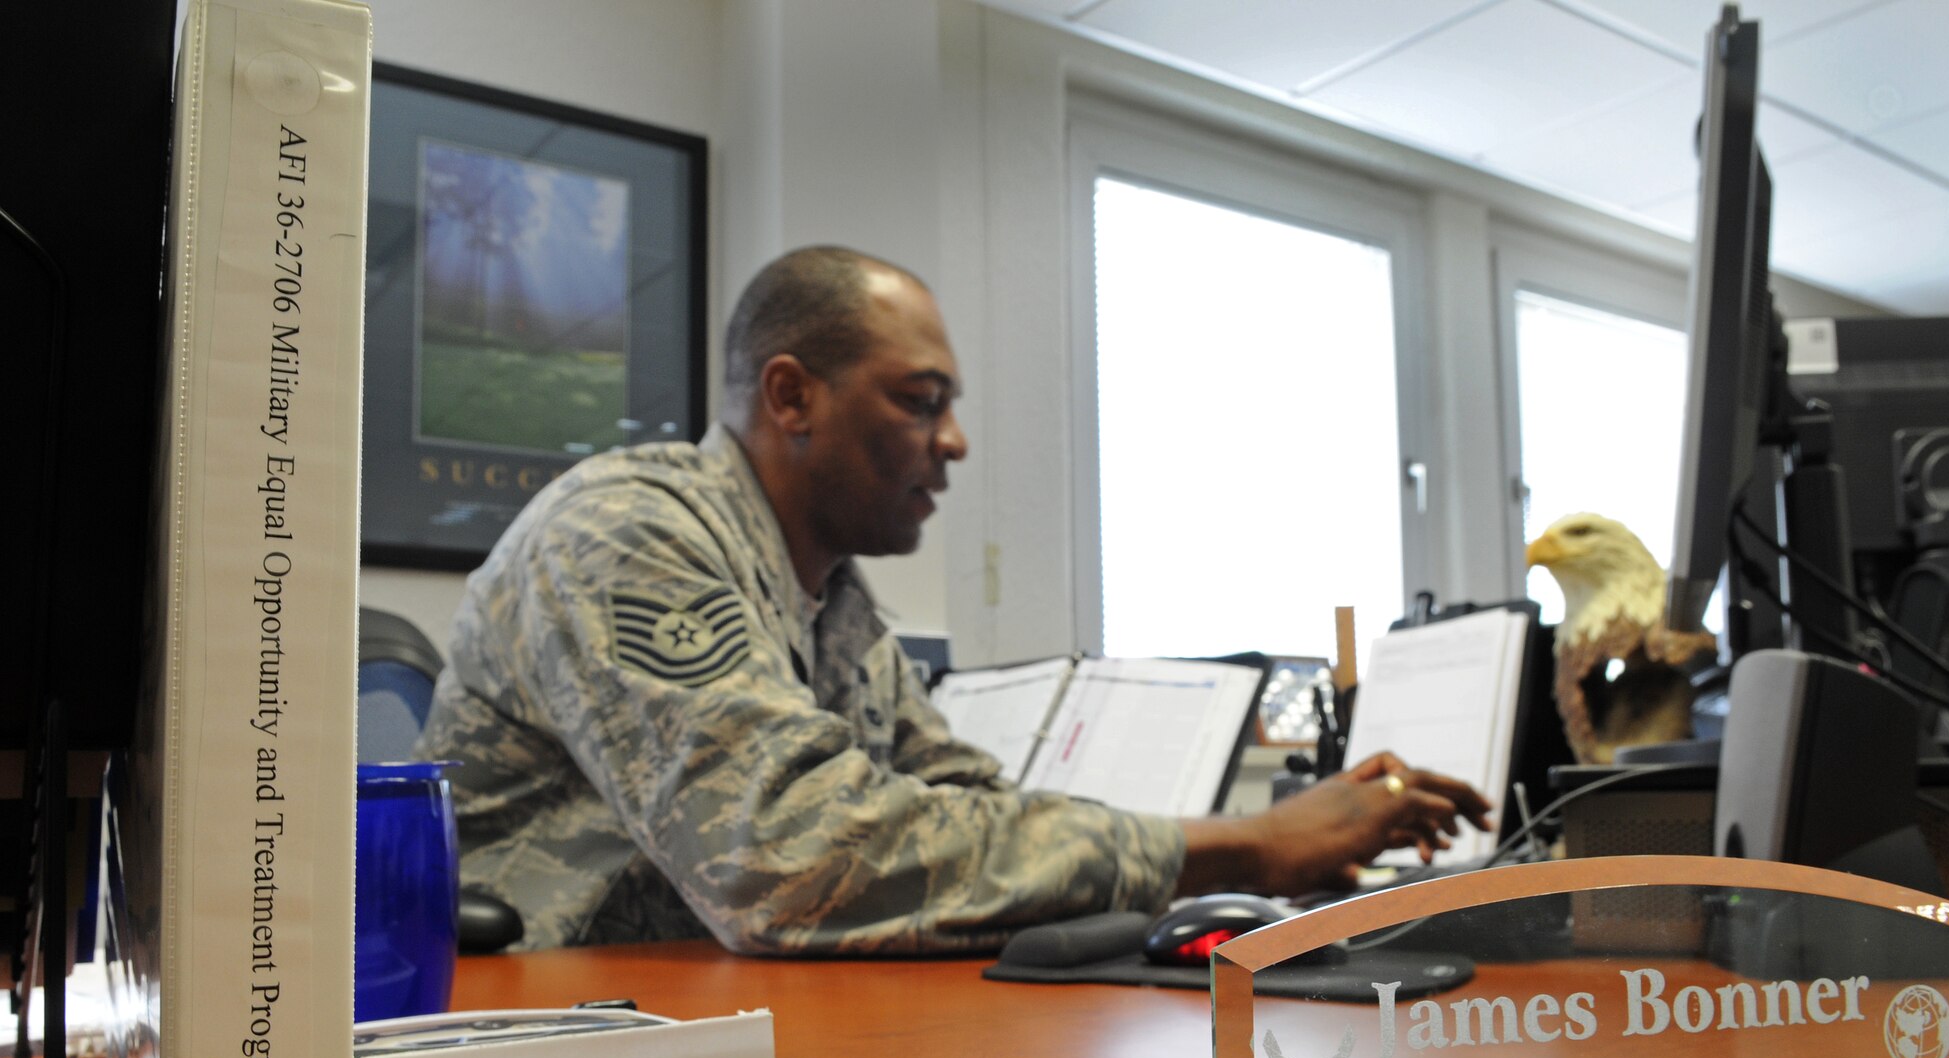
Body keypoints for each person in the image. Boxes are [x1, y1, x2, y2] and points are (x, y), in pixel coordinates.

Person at [415, 245, 1489, 953]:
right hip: (554, 1046)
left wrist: (1267, 841)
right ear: (790, 394)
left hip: (720, 1021)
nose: (955, 441)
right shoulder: (627, 531)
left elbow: (960, 808)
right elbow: (789, 861)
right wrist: (1241, 848)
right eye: (919, 401)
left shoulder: (832, 603)